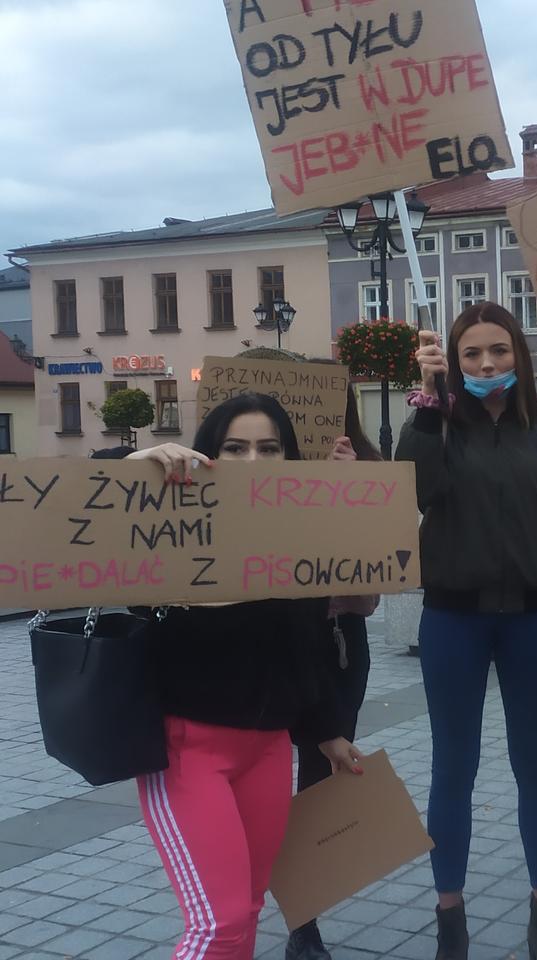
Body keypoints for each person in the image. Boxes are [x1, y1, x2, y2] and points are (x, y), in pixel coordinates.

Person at [126, 393, 363, 960]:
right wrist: (133, 470)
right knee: (219, 921)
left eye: (268, 448)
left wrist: (328, 729)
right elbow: (80, 521)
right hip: (187, 751)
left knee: (248, 907)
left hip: (268, 751)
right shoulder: (170, 517)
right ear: (208, 453)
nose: (253, 462)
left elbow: (307, 645)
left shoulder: (298, 535)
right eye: (235, 448)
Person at [395, 302, 537, 960]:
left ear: (520, 356)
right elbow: (411, 494)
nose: (487, 364)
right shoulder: (436, 425)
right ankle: (449, 915)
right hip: (454, 619)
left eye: (499, 351)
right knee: (453, 766)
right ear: (454, 362)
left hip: (534, 622)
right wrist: (428, 405)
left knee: (535, 765)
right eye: (473, 354)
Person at [285, 384, 382, 960]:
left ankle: (305, 921)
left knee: (319, 777)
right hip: (278, 639)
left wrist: (346, 484)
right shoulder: (265, 466)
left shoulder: (366, 465)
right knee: (273, 775)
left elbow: (379, 555)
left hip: (342, 639)